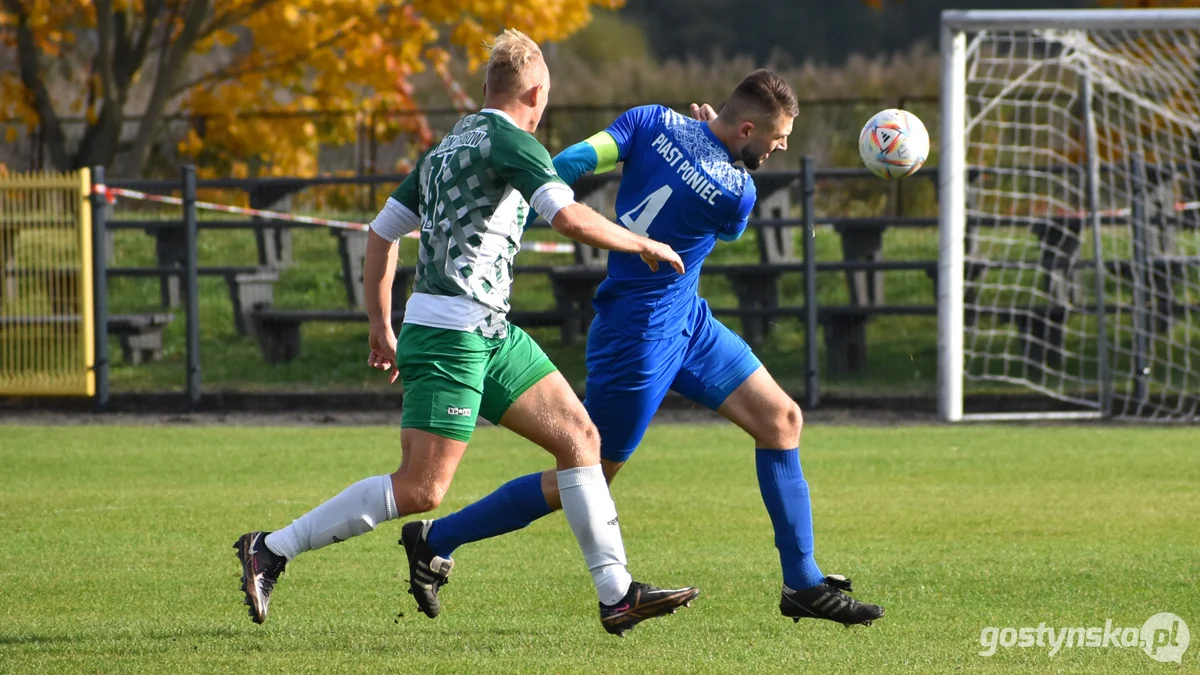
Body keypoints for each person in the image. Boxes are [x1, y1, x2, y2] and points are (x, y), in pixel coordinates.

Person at [233, 28, 699, 637]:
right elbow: (569, 218)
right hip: (453, 334)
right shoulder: (512, 141)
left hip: (488, 330)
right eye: (547, 99)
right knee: (422, 489)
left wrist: (380, 324)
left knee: (581, 436)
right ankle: (270, 548)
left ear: (486, 88)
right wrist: (641, 241)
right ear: (536, 91)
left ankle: (617, 594)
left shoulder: (449, 145)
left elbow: (381, 233)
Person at [401, 70, 885, 628]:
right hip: (638, 339)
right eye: (777, 138)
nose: (781, 148)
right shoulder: (738, 191)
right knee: (584, 476)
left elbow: (570, 165)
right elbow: (724, 226)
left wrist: (696, 140)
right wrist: (710, 146)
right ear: (747, 128)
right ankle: (438, 538)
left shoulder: (649, 119)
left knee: (781, 419)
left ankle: (802, 583)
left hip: (688, 322)